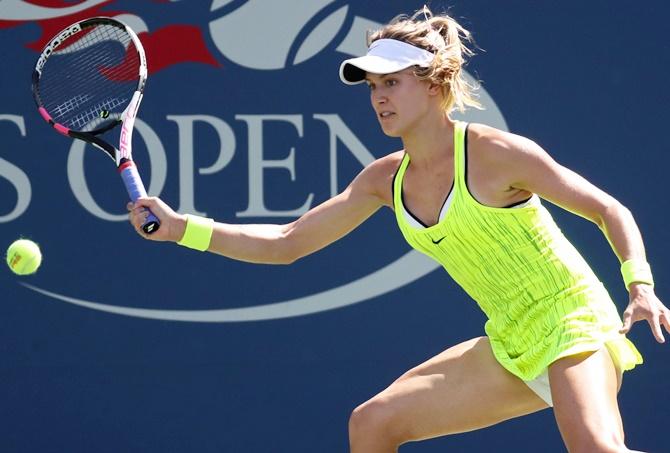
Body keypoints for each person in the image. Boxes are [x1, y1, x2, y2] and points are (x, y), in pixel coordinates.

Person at [128, 6, 668, 453]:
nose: (378, 97)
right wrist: (182, 230)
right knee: (372, 424)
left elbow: (607, 208)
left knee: (597, 449)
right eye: (372, 86)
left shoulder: (496, 154)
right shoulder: (383, 181)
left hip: (572, 319)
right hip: (511, 338)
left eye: (392, 83)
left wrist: (639, 285)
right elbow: (288, 243)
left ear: (435, 85)